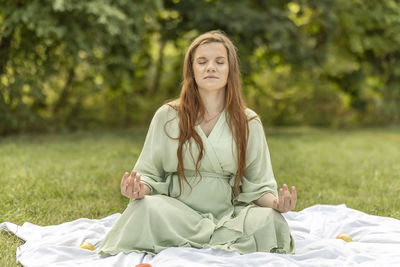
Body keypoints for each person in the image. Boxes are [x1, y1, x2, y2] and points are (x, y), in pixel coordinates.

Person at [98, 30, 297, 256]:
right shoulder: (167, 116)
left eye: (219, 62)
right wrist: (137, 189)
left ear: (230, 70)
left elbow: (259, 185)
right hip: (177, 214)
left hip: (229, 217)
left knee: (271, 220)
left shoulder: (248, 121)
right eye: (202, 62)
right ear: (191, 69)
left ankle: (204, 241)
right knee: (142, 208)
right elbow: (149, 174)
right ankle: (216, 244)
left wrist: (276, 204)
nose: (210, 67)